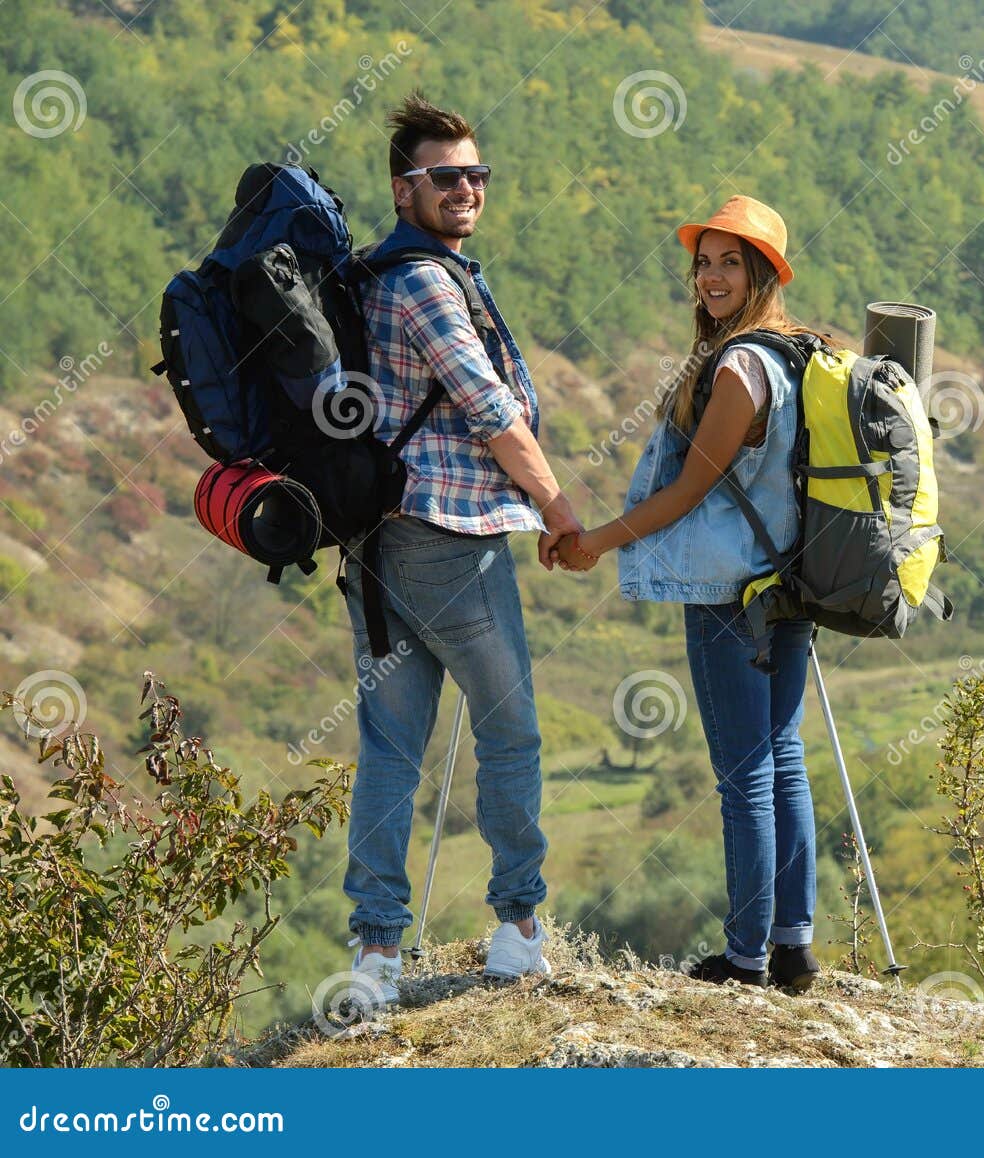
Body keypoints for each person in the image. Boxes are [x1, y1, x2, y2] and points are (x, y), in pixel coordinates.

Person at [341, 92, 583, 1002]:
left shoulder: (371, 277)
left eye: (476, 174)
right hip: (450, 538)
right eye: (446, 177)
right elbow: (491, 412)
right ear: (405, 190)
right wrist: (560, 508)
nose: (467, 189)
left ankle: (375, 956)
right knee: (511, 732)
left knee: (391, 748)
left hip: (374, 541)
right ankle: (518, 928)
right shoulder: (426, 284)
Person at [556, 195, 823, 991]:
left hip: (729, 592)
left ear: (764, 273)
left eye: (729, 262)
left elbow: (687, 493)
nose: (709, 276)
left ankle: (746, 958)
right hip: (793, 582)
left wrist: (593, 544)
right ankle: (794, 948)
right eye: (703, 262)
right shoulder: (797, 353)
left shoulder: (740, 365)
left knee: (746, 771)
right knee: (782, 757)